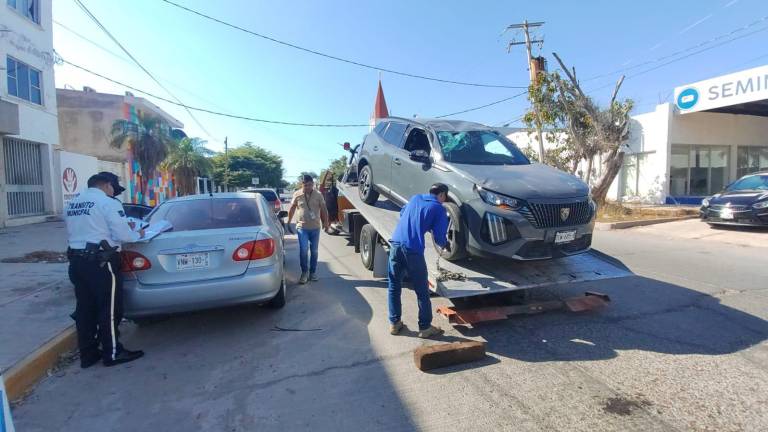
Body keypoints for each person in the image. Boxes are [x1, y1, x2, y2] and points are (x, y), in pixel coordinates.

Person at [65, 173, 145, 368]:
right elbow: (124, 235)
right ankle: (113, 353)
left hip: (77, 261)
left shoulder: (72, 203)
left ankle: (88, 354)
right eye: (113, 188)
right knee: (109, 309)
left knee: (85, 309)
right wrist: (138, 232)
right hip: (102, 263)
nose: (113, 192)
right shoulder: (108, 202)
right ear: (108, 185)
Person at [388, 183, 450, 339]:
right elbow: (439, 236)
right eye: (445, 197)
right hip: (413, 250)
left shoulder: (415, 198)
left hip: (395, 244)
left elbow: (403, 213)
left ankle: (394, 324)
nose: (444, 200)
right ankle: (425, 328)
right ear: (441, 194)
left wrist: (420, 222)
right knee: (422, 290)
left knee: (394, 286)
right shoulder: (438, 208)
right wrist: (445, 244)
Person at [287, 175, 329, 284]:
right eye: (305, 185)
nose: (308, 187)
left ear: (313, 184)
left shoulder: (318, 194)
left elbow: (324, 209)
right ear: (302, 185)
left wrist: (326, 222)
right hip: (302, 228)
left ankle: (312, 273)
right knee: (304, 250)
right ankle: (304, 273)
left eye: (310, 185)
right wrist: (288, 222)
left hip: (315, 228)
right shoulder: (297, 194)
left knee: (314, 251)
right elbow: (292, 208)